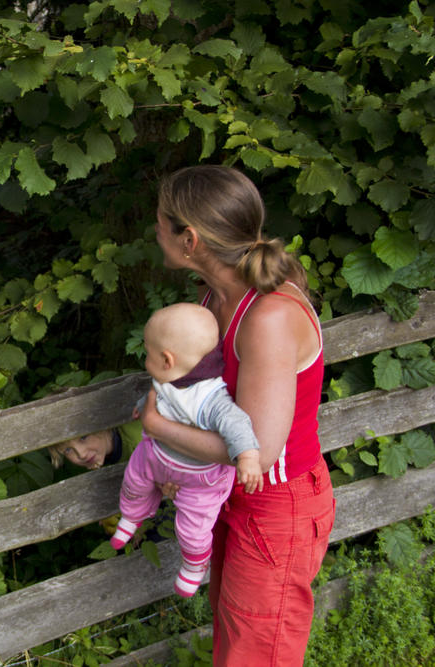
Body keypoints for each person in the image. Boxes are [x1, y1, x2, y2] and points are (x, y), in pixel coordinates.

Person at [139, 165, 334, 665]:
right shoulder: (215, 299)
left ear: (190, 238)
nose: (153, 229)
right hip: (233, 492)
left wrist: (159, 428)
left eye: (161, 221)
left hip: (277, 504)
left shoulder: (267, 315)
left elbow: (259, 450)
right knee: (238, 642)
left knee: (257, 653)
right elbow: (209, 405)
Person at [109, 302, 262, 598]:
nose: (145, 361)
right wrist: (142, 407)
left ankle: (194, 564)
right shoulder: (169, 379)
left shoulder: (209, 398)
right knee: (133, 480)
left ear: (167, 359)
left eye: (148, 355)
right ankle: (131, 516)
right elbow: (159, 398)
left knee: (193, 527)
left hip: (199, 479)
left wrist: (248, 457)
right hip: (156, 457)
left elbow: (237, 423)